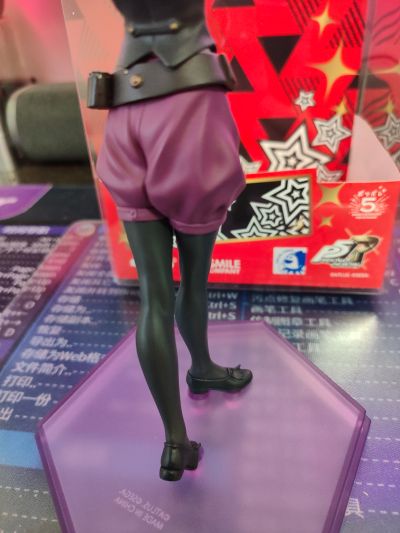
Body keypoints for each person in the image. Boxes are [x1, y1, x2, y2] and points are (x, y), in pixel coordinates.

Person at [90, 0, 253, 482]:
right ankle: (201, 369)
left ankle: (176, 441)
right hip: (188, 106)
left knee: (154, 299)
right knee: (193, 282)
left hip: (126, 102)